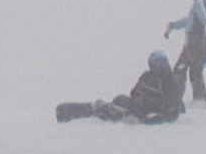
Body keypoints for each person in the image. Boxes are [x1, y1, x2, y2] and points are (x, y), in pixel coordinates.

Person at [56, 50, 189, 125]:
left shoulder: (169, 82)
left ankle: (71, 112)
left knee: (107, 109)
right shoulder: (149, 76)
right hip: (135, 106)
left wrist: (148, 119)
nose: (155, 67)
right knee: (118, 100)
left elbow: (172, 109)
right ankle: (67, 111)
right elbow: (134, 92)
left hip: (140, 112)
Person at [165, 0, 206, 108]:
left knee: (182, 69)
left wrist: (205, 38)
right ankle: (198, 99)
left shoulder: (202, 0)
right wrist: (173, 25)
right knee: (194, 70)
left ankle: (174, 98)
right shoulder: (199, 2)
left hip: (197, 43)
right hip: (196, 43)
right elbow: (190, 21)